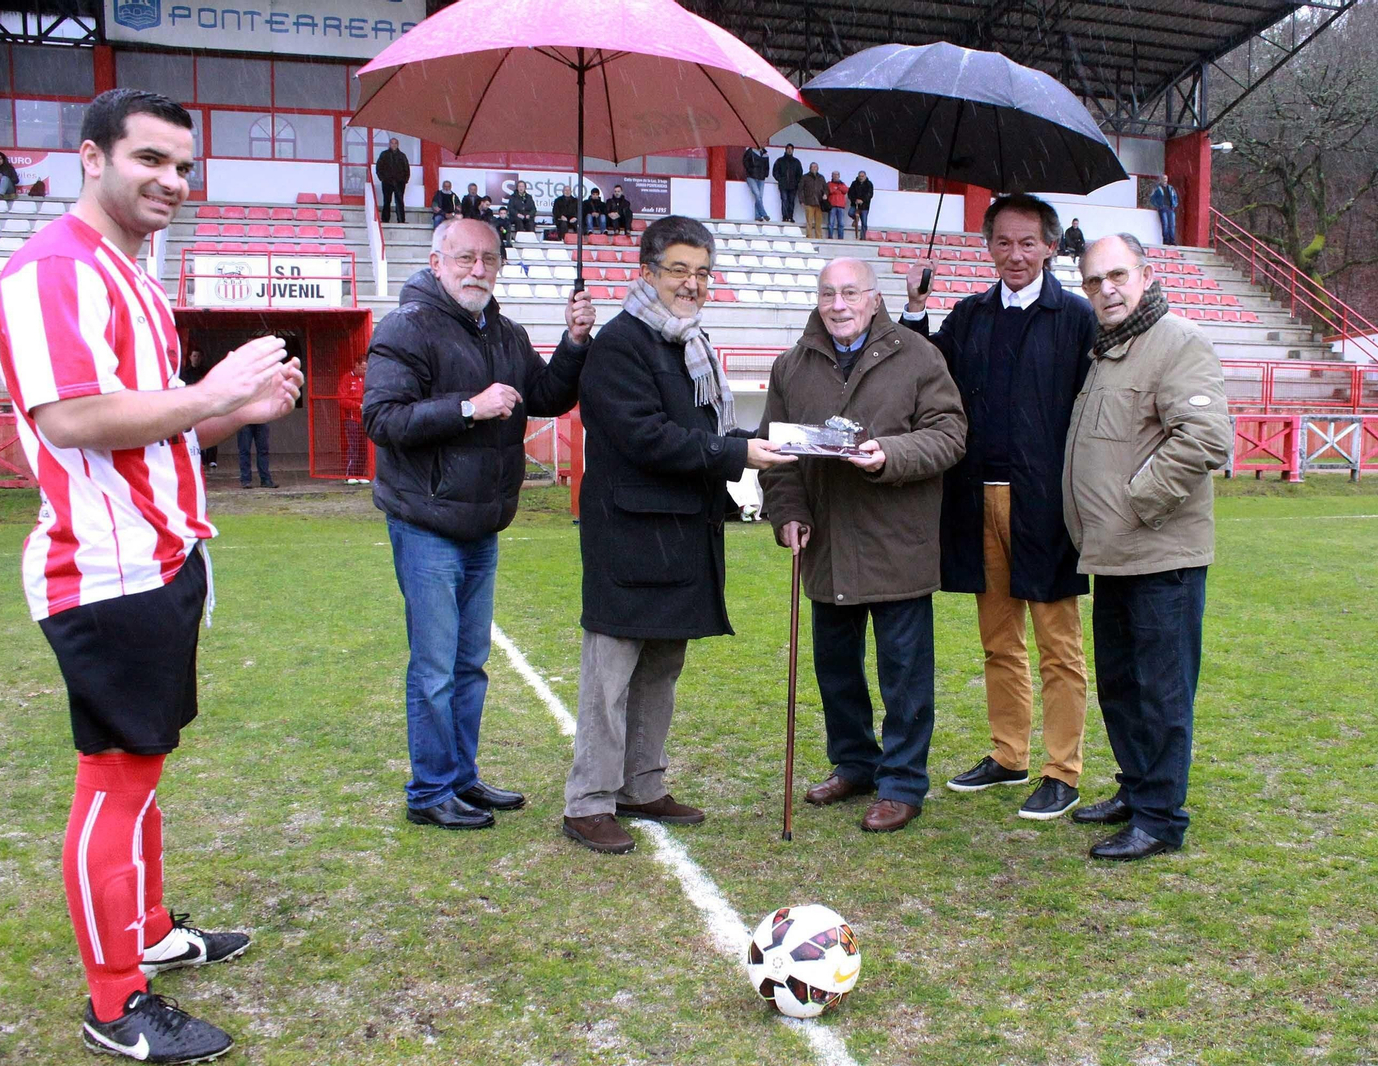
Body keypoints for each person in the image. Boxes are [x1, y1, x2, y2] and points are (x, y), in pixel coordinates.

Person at [0, 87, 304, 1063]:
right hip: (104, 573)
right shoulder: (52, 271)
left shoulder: (131, 272)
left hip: (161, 556)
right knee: (114, 782)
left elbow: (151, 432)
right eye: (151, 160)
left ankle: (154, 930)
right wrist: (207, 390)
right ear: (92, 158)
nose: (172, 181)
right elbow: (71, 418)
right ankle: (114, 1000)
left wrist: (229, 417)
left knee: (145, 769)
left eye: (183, 165)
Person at [564, 215, 794, 854]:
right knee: (609, 675)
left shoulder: (688, 342)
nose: (691, 284)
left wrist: (730, 452)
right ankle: (588, 802)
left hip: (682, 532)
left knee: (662, 667)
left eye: (700, 273)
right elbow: (642, 437)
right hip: (629, 536)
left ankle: (641, 785)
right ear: (647, 272)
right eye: (678, 271)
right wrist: (735, 453)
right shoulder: (620, 344)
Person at [364, 217, 596, 830]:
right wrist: (469, 408)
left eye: (489, 260)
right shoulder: (405, 327)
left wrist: (573, 342)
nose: (478, 270)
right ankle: (431, 790)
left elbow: (545, 396)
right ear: (436, 262)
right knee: (436, 667)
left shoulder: (505, 332)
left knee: (468, 665)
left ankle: (460, 779)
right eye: (465, 258)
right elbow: (382, 419)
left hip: (482, 522)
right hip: (426, 521)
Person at [903, 194, 1097, 822]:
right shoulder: (967, 314)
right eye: (1003, 243)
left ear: (1050, 246)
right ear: (988, 247)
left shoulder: (1075, 318)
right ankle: (1009, 755)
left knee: (1058, 646)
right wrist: (915, 310)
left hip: (1045, 504)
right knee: (997, 640)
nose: (1015, 255)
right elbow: (923, 377)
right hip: (974, 497)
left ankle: (1062, 770)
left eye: (1028, 242)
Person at [759, 258, 966, 833]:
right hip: (825, 543)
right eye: (829, 293)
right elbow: (776, 453)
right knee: (836, 669)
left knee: (904, 674)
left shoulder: (920, 357)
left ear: (875, 299)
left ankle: (901, 782)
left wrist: (889, 455)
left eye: (851, 292)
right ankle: (854, 763)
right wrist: (789, 515)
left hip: (897, 543)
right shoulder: (791, 366)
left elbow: (950, 435)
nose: (839, 304)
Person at [1063, 233, 1231, 861]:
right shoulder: (1108, 352)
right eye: (1093, 281)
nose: (1105, 289)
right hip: (1115, 555)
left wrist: (1136, 504)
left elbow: (1205, 440)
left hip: (1163, 557)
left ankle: (1160, 818)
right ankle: (1138, 789)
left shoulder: (1178, 342)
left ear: (1145, 274)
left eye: (1116, 276)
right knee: (1123, 685)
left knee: (1162, 691)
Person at [179, 349, 218, 469]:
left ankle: (211, 459)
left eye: (198, 356)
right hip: (192, 406)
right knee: (193, 433)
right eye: (194, 355)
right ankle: (199, 457)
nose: (196, 358)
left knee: (211, 431)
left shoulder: (206, 372)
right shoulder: (185, 373)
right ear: (190, 357)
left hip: (205, 405)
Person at [337, 356, 368, 482]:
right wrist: (358, 405)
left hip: (364, 418)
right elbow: (342, 400)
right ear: (356, 365)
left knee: (363, 448)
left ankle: (360, 474)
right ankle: (350, 475)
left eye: (367, 368)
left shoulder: (367, 379)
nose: (365, 371)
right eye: (363, 368)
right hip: (351, 418)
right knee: (354, 446)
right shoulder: (347, 378)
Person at [375, 137, 409, 224]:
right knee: (387, 201)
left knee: (399, 201)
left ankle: (401, 220)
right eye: (392, 143)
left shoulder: (402, 156)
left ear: (398, 145)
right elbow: (379, 167)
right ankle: (385, 219)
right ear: (389, 144)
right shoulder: (384, 155)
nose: (393, 145)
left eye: (395, 143)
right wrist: (382, 178)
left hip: (399, 182)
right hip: (387, 182)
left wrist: (405, 180)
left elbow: (406, 169)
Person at [237, 418, 275, 488]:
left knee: (261, 451)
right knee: (245, 451)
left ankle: (263, 479)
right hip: (247, 420)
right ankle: (247, 480)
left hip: (259, 420)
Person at [773, 144, 803, 223]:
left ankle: (790, 216)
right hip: (783, 185)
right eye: (788, 149)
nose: (789, 150)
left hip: (793, 186)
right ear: (785, 150)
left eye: (791, 149)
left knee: (791, 201)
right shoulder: (780, 160)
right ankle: (785, 217)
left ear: (793, 150)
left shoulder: (796, 162)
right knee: (784, 200)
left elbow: (799, 173)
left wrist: (796, 182)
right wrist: (780, 179)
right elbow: (775, 171)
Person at [743, 145, 771, 222]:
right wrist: (750, 171)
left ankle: (757, 216)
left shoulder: (765, 155)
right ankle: (764, 214)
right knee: (758, 195)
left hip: (761, 178)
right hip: (751, 177)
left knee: (759, 197)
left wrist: (765, 174)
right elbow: (745, 161)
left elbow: (767, 167)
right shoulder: (750, 151)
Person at [800, 162, 827, 240]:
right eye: (813, 167)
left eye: (816, 167)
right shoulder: (805, 177)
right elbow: (800, 189)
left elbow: (826, 188)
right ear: (810, 168)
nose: (814, 168)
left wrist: (825, 194)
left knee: (818, 222)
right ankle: (809, 237)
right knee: (809, 222)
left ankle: (819, 237)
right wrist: (801, 200)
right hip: (809, 202)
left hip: (819, 203)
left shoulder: (821, 177)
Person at [1150, 175, 1179, 245]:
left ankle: (1172, 241)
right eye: (1163, 178)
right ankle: (1166, 241)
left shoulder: (1171, 188)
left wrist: (1174, 205)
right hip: (1163, 208)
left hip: (1170, 208)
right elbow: (1152, 199)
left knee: (1172, 225)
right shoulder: (1157, 188)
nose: (1165, 180)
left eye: (1166, 178)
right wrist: (1158, 206)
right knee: (1165, 224)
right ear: (1161, 180)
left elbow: (1175, 197)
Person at [848, 170, 874, 240]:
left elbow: (870, 194)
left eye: (862, 176)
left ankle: (863, 237)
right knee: (850, 213)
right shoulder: (854, 183)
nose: (861, 177)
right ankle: (856, 219)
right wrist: (855, 200)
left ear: (865, 176)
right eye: (860, 176)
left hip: (864, 206)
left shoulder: (869, 184)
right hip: (855, 205)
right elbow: (850, 193)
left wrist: (862, 200)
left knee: (864, 223)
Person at [826, 171, 849, 240]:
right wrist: (838, 189)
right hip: (832, 205)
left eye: (837, 175)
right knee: (831, 223)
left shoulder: (842, 184)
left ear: (839, 176)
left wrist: (837, 188)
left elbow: (845, 190)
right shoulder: (829, 183)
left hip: (841, 206)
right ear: (831, 176)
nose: (835, 176)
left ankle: (841, 238)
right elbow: (830, 190)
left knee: (841, 224)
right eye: (834, 175)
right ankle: (830, 237)